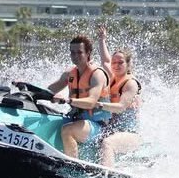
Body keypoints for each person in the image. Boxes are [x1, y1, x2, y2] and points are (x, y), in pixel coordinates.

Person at [48, 35, 111, 159]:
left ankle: (72, 167)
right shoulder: (70, 74)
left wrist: (68, 100)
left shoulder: (97, 74)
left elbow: (91, 102)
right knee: (48, 119)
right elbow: (49, 91)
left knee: (67, 130)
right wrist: (27, 89)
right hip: (76, 119)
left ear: (88, 53)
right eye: (72, 52)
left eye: (79, 52)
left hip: (98, 126)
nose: (75, 56)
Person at [96, 25, 142, 168]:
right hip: (112, 129)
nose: (116, 65)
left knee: (107, 143)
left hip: (130, 134)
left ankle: (106, 176)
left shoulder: (131, 84)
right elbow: (105, 60)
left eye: (120, 62)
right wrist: (102, 40)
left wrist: (99, 105)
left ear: (128, 64)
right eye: (114, 63)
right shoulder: (113, 77)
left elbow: (121, 107)